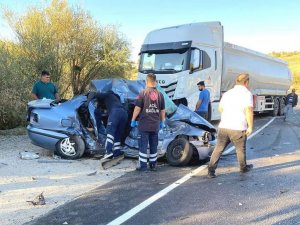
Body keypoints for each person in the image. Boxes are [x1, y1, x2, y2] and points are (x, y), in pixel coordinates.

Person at [207, 73, 254, 178]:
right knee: (240, 149)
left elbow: (220, 109)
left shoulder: (227, 93)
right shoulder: (247, 94)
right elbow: (248, 110)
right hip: (238, 127)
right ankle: (243, 168)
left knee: (218, 149)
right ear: (246, 82)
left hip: (224, 126)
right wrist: (250, 126)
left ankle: (211, 171)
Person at [131, 73, 166, 171]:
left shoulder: (143, 93)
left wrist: (133, 120)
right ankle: (153, 165)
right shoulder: (160, 95)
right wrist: (162, 122)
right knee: (153, 145)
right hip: (155, 125)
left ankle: (143, 167)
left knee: (143, 145)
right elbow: (162, 110)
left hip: (144, 125)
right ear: (155, 81)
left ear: (147, 81)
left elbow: (137, 108)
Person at [87, 91, 128, 159]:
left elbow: (93, 94)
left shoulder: (106, 94)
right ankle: (117, 152)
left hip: (115, 113)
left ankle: (108, 152)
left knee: (110, 132)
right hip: (124, 113)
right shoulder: (116, 97)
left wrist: (87, 102)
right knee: (117, 133)